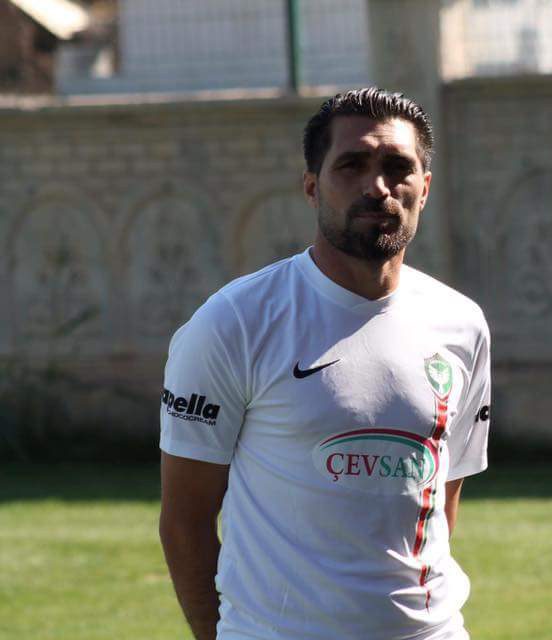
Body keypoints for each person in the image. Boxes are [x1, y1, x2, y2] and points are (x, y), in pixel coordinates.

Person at [158, 87, 492, 640]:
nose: (377, 186)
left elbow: (440, 500)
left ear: (425, 187)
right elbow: (184, 522)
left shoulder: (461, 323)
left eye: (398, 168)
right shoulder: (234, 322)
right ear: (312, 186)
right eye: (352, 165)